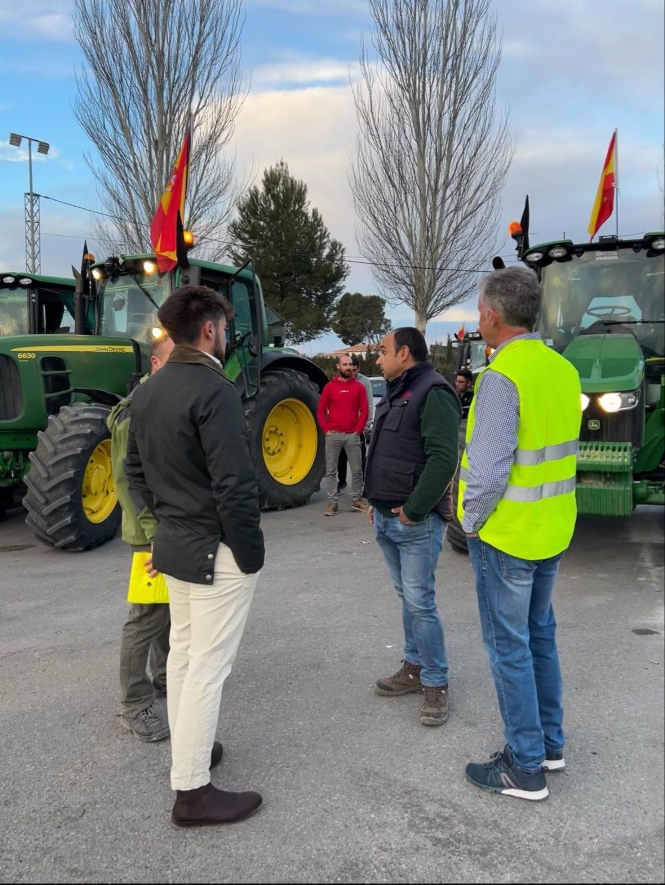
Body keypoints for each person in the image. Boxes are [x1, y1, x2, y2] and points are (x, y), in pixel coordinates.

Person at [125, 285, 264, 828]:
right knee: (206, 667)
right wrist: (249, 554)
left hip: (178, 546)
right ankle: (192, 792)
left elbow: (133, 474)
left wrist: (163, 529)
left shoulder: (148, 391)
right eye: (223, 327)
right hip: (216, 551)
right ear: (210, 328)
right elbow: (235, 484)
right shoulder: (215, 389)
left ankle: (192, 755)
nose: (225, 335)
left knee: (183, 657)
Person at [460, 267, 581, 801]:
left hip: (507, 537)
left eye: (479, 309)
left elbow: (485, 475)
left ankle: (524, 765)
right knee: (540, 639)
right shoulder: (563, 370)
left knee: (508, 648)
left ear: (492, 315)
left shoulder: (500, 379)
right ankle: (549, 747)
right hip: (553, 529)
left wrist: (467, 523)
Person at [364, 328, 461, 727]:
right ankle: (414, 666)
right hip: (386, 516)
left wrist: (415, 511)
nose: (378, 359)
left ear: (404, 352)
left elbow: (443, 458)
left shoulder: (433, 392)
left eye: (383, 351)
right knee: (409, 598)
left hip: (413, 522)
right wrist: (375, 501)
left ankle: (436, 682)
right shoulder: (397, 387)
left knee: (420, 602)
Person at [108, 334, 174, 742]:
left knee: (164, 607)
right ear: (154, 363)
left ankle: (165, 676)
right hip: (150, 531)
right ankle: (136, 704)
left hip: (162, 527)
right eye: (174, 361)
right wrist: (155, 538)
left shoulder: (155, 405)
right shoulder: (137, 413)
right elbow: (131, 484)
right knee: (146, 616)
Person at [317, 354, 369, 515]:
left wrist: (358, 430)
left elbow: (365, 410)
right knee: (331, 471)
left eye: (350, 364)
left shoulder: (359, 387)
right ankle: (332, 503)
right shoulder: (329, 387)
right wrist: (326, 430)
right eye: (345, 364)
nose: (348, 367)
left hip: (352, 435)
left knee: (357, 470)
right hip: (334, 435)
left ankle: (356, 500)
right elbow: (320, 411)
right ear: (338, 366)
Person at [337, 354, 374, 491]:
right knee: (341, 456)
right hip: (343, 426)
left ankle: (362, 485)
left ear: (357, 369)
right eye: (348, 369)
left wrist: (366, 425)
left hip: (359, 427)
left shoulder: (364, 382)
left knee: (359, 458)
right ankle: (342, 481)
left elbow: (369, 404)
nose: (350, 372)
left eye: (353, 370)